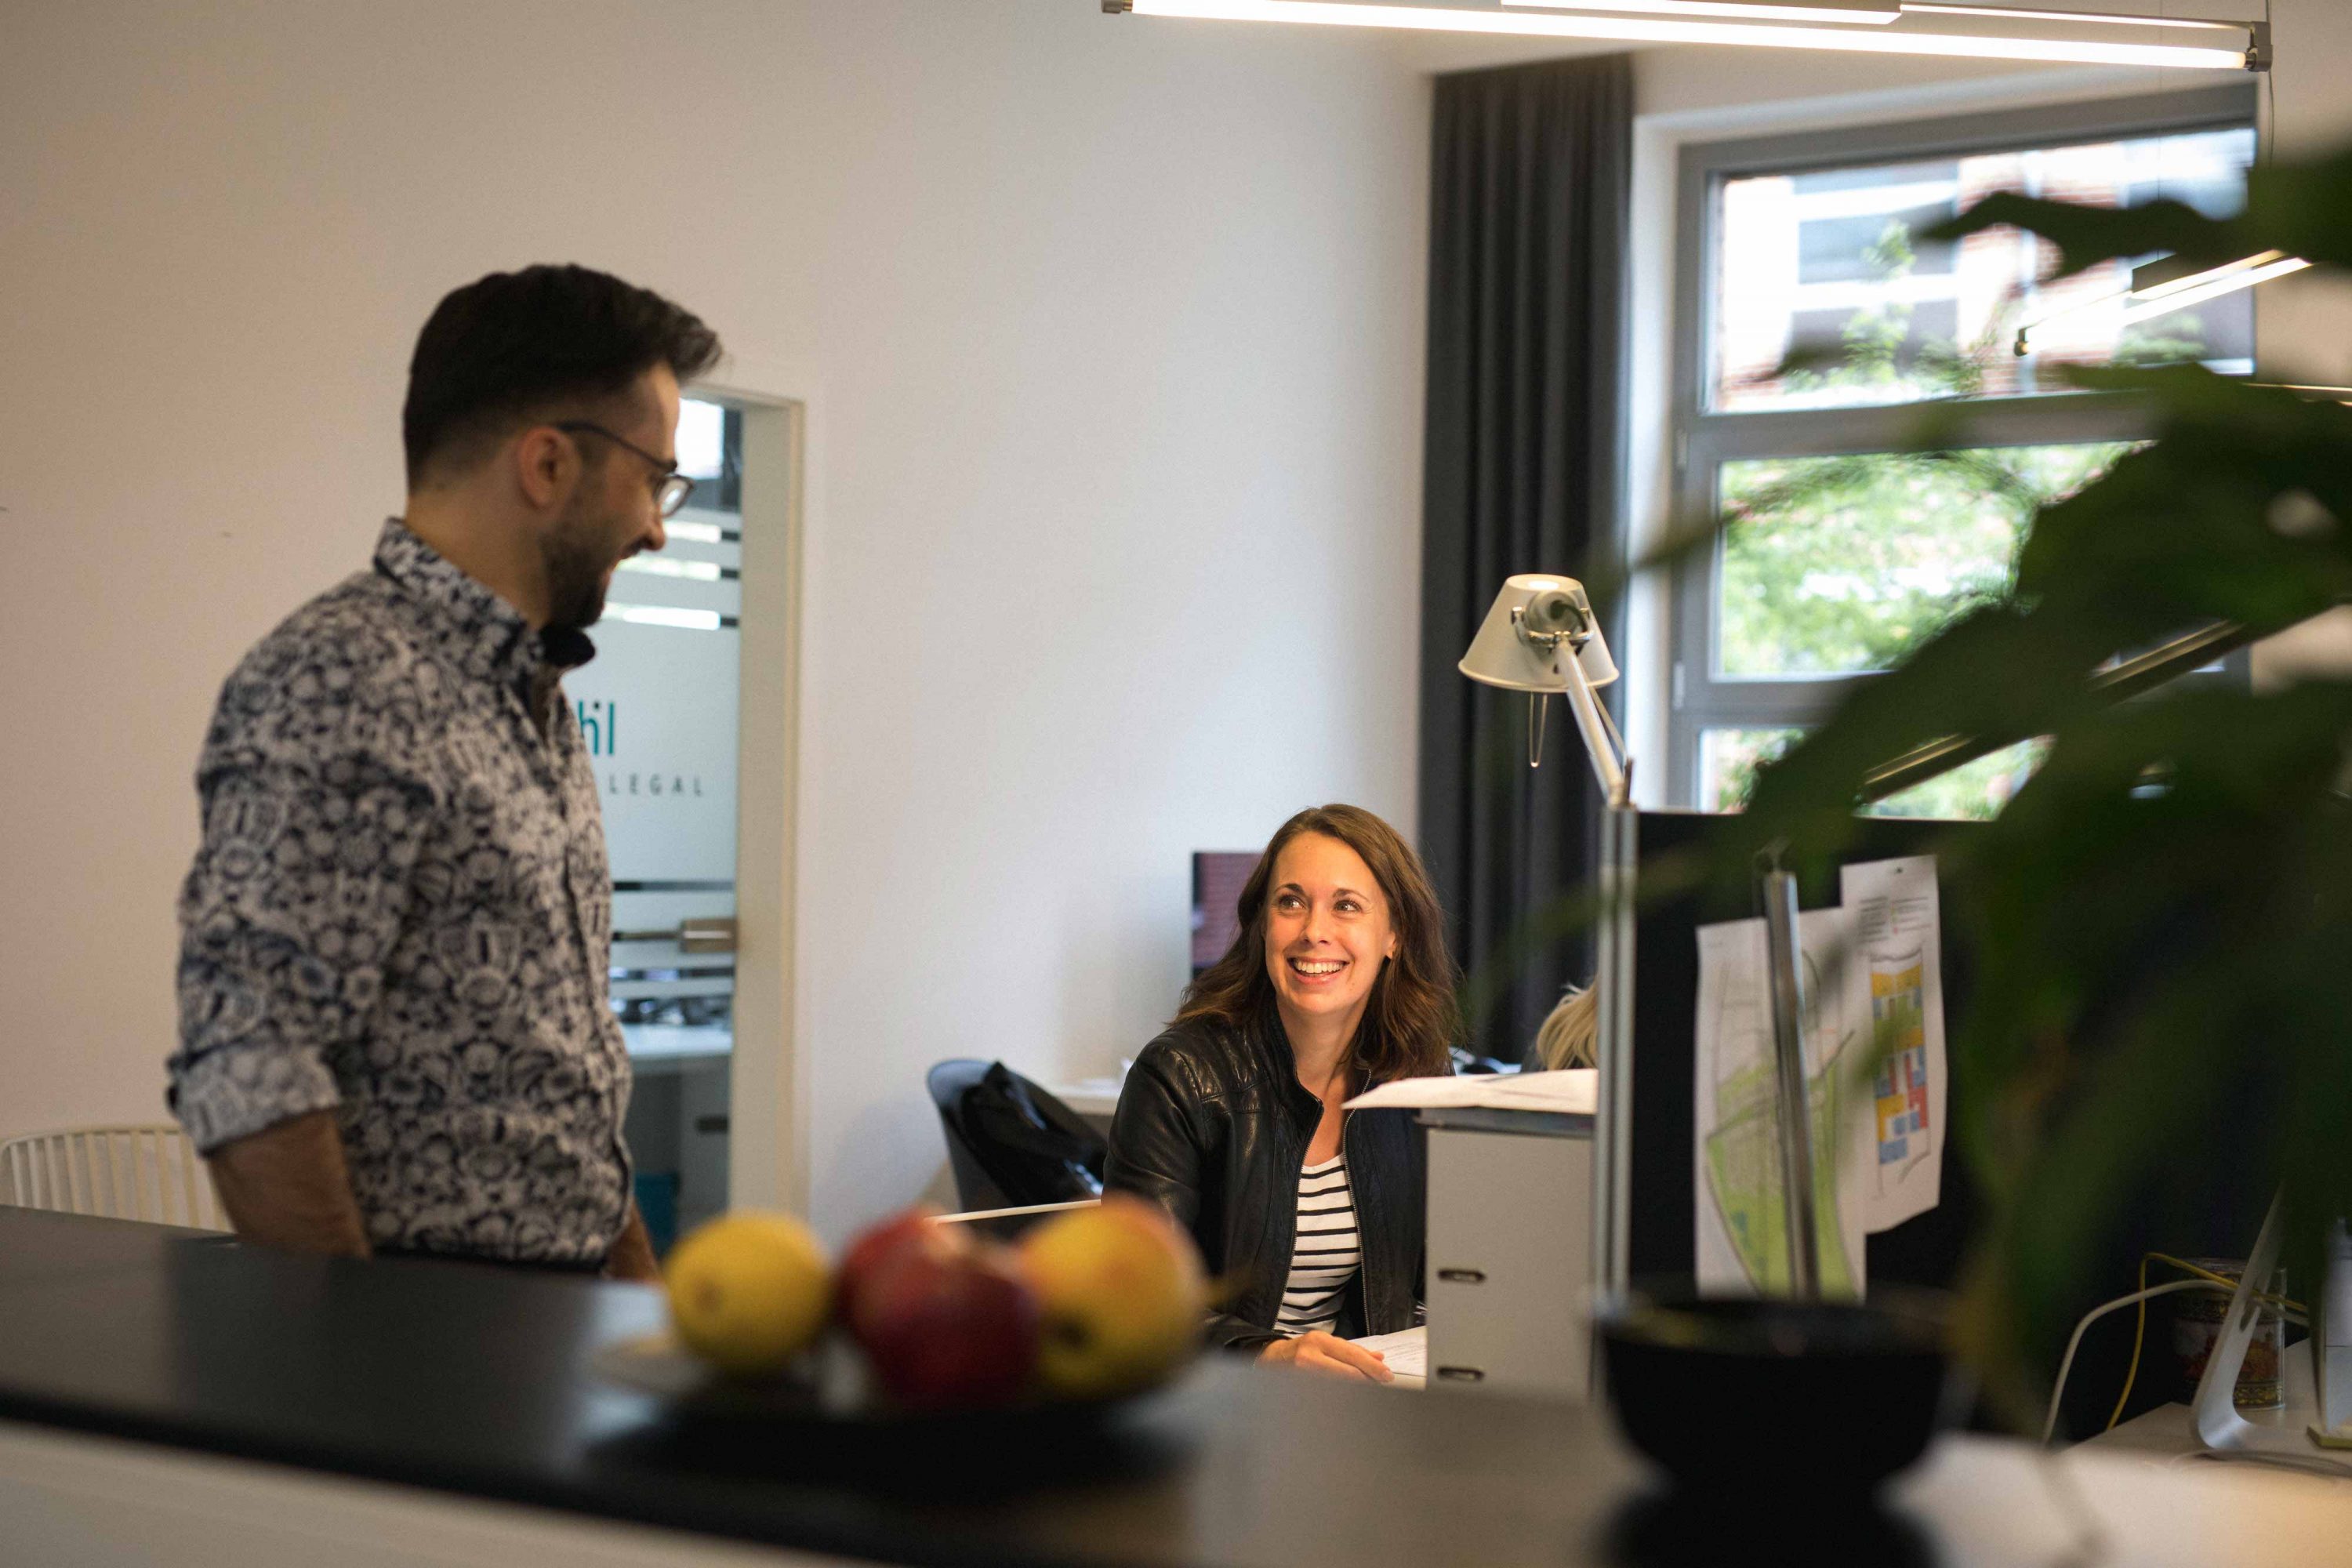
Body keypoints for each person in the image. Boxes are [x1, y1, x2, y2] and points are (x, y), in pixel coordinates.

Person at [168, 265, 724, 1278]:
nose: (656, 525)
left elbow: (556, 1083)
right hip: (422, 1346)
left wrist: (639, 1310)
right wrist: (353, 1378)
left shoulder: (528, 694)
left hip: (548, 1331)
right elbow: (252, 1061)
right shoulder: (343, 677)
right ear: (548, 465)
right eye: (655, 479)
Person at [1105, 804, 1460, 1382]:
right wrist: (1268, 1353)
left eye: (1346, 906)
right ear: (1263, 925)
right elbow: (1134, 1304)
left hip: (1362, 1398)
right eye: (1290, 902)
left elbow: (1442, 1278)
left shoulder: (1415, 1078)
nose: (1313, 930)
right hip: (1216, 1404)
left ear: (1394, 934)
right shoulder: (1180, 1075)